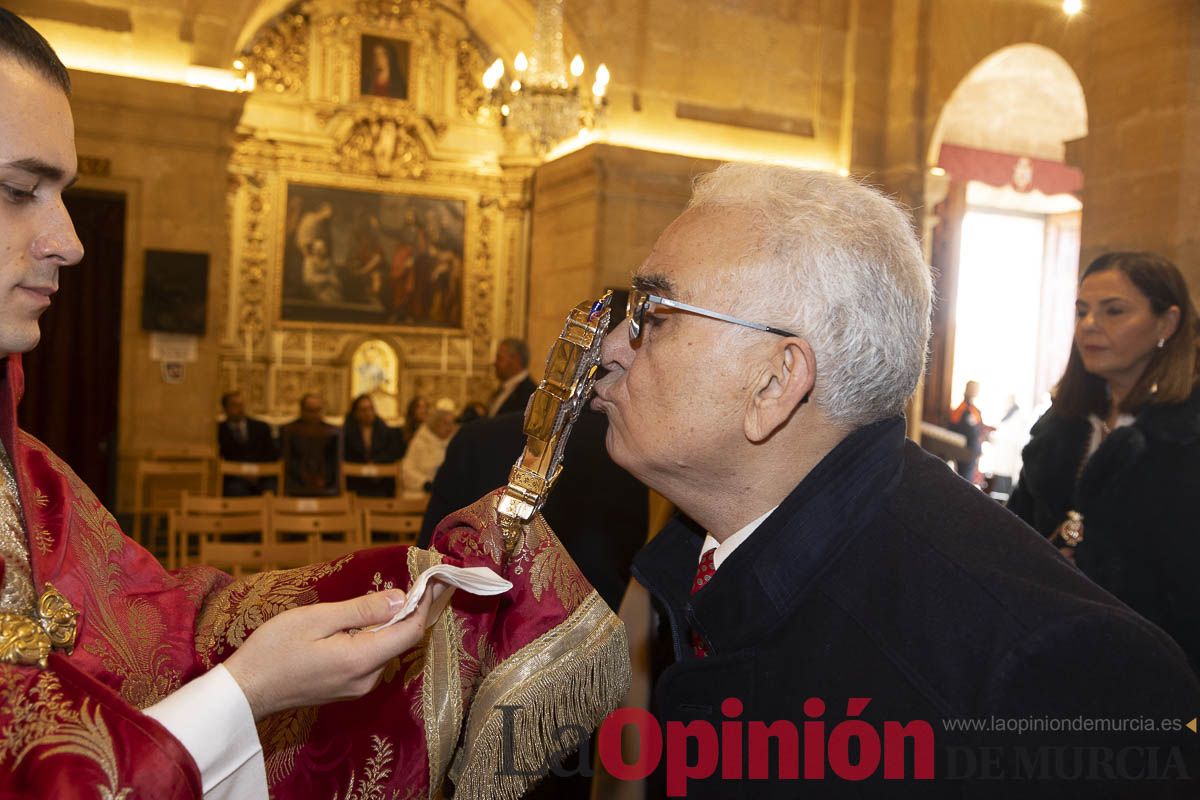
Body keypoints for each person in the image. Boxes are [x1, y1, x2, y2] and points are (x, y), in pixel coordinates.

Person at [590, 164, 1200, 796]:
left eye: (654, 315)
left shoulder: (1052, 671)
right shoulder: (702, 556)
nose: (611, 348)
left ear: (775, 382)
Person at [0, 11, 436, 794]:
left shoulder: (29, 471)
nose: (69, 241)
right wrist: (249, 693)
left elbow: (159, 624)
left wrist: (401, 575)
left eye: (62, 193)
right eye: (18, 190)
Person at [1008, 251, 1200, 672]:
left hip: (1156, 665)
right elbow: (1018, 522)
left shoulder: (1186, 436)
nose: (1090, 325)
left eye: (1114, 311)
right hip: (1047, 649)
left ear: (1166, 324)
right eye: (1082, 311)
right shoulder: (1063, 423)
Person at [216, 390, 278, 496]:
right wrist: (241, 473)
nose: (239, 409)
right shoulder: (218, 430)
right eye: (234, 405)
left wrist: (258, 473)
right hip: (233, 477)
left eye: (241, 405)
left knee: (270, 489)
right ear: (225, 408)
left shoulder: (261, 427)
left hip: (261, 475)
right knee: (235, 490)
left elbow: (271, 454)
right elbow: (221, 456)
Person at [342, 393, 403, 497]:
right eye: (363, 410)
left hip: (381, 479)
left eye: (370, 409)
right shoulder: (348, 432)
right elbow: (346, 455)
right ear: (356, 413)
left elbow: (392, 453)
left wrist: (376, 464)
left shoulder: (385, 430)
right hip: (356, 479)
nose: (368, 413)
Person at [279, 392, 339, 495]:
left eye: (318, 410)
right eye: (310, 411)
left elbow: (333, 461)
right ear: (302, 411)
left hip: (325, 482)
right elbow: (287, 460)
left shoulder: (331, 432)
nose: (314, 415)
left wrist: (324, 479)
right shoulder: (289, 430)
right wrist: (304, 478)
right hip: (296, 481)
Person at [948, 379, 993, 486]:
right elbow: (968, 432)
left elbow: (977, 427)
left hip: (972, 452)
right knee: (965, 481)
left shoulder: (973, 410)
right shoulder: (963, 410)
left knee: (969, 480)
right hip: (967, 452)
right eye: (974, 389)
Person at [401, 407, 454, 496]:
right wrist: (425, 483)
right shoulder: (420, 442)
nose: (450, 427)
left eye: (452, 423)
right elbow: (407, 470)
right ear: (435, 423)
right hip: (421, 492)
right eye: (445, 423)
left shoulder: (453, 442)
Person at [489, 337, 535, 416]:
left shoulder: (529, 394)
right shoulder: (502, 389)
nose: (495, 363)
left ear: (516, 360)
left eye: (500, 358)